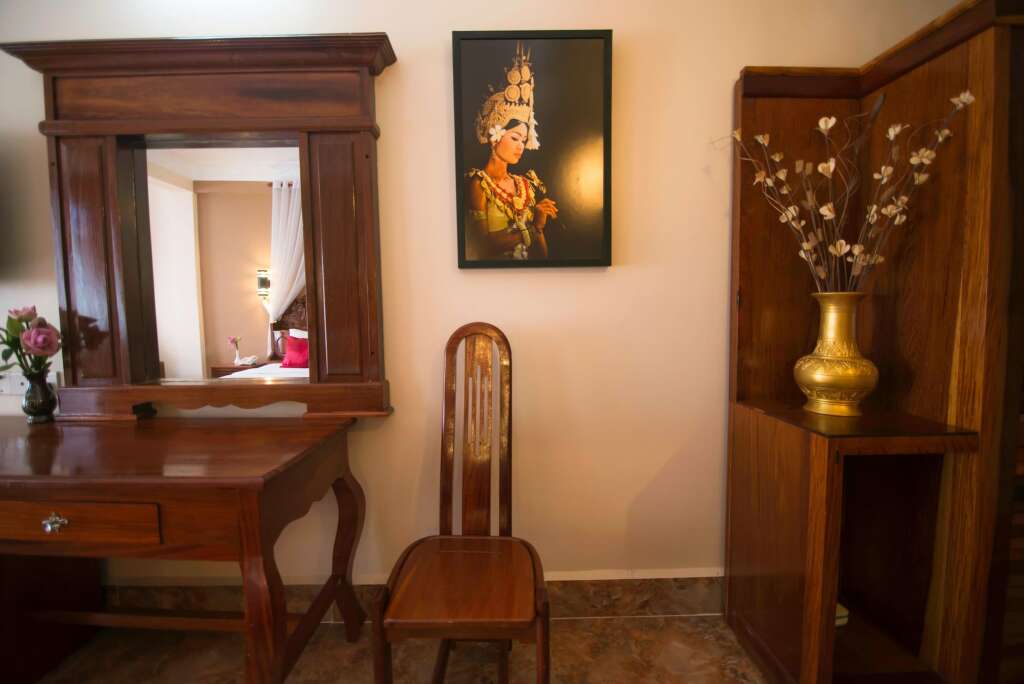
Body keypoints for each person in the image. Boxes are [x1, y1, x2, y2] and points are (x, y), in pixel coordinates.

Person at [466, 44, 557, 260]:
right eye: (515, 138)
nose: (520, 146)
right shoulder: (479, 184)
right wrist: (532, 229)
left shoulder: (524, 185)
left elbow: (542, 257)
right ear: (494, 137)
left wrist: (539, 228)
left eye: (523, 140)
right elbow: (483, 247)